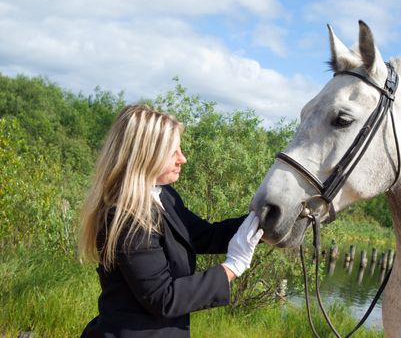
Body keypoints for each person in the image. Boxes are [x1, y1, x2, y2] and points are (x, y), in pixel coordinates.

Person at [78, 104, 263, 337]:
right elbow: (163, 297)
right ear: (145, 155)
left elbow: (207, 235)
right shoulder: (125, 216)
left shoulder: (163, 196)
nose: (182, 159)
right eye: (172, 152)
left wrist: (266, 221)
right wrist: (232, 267)